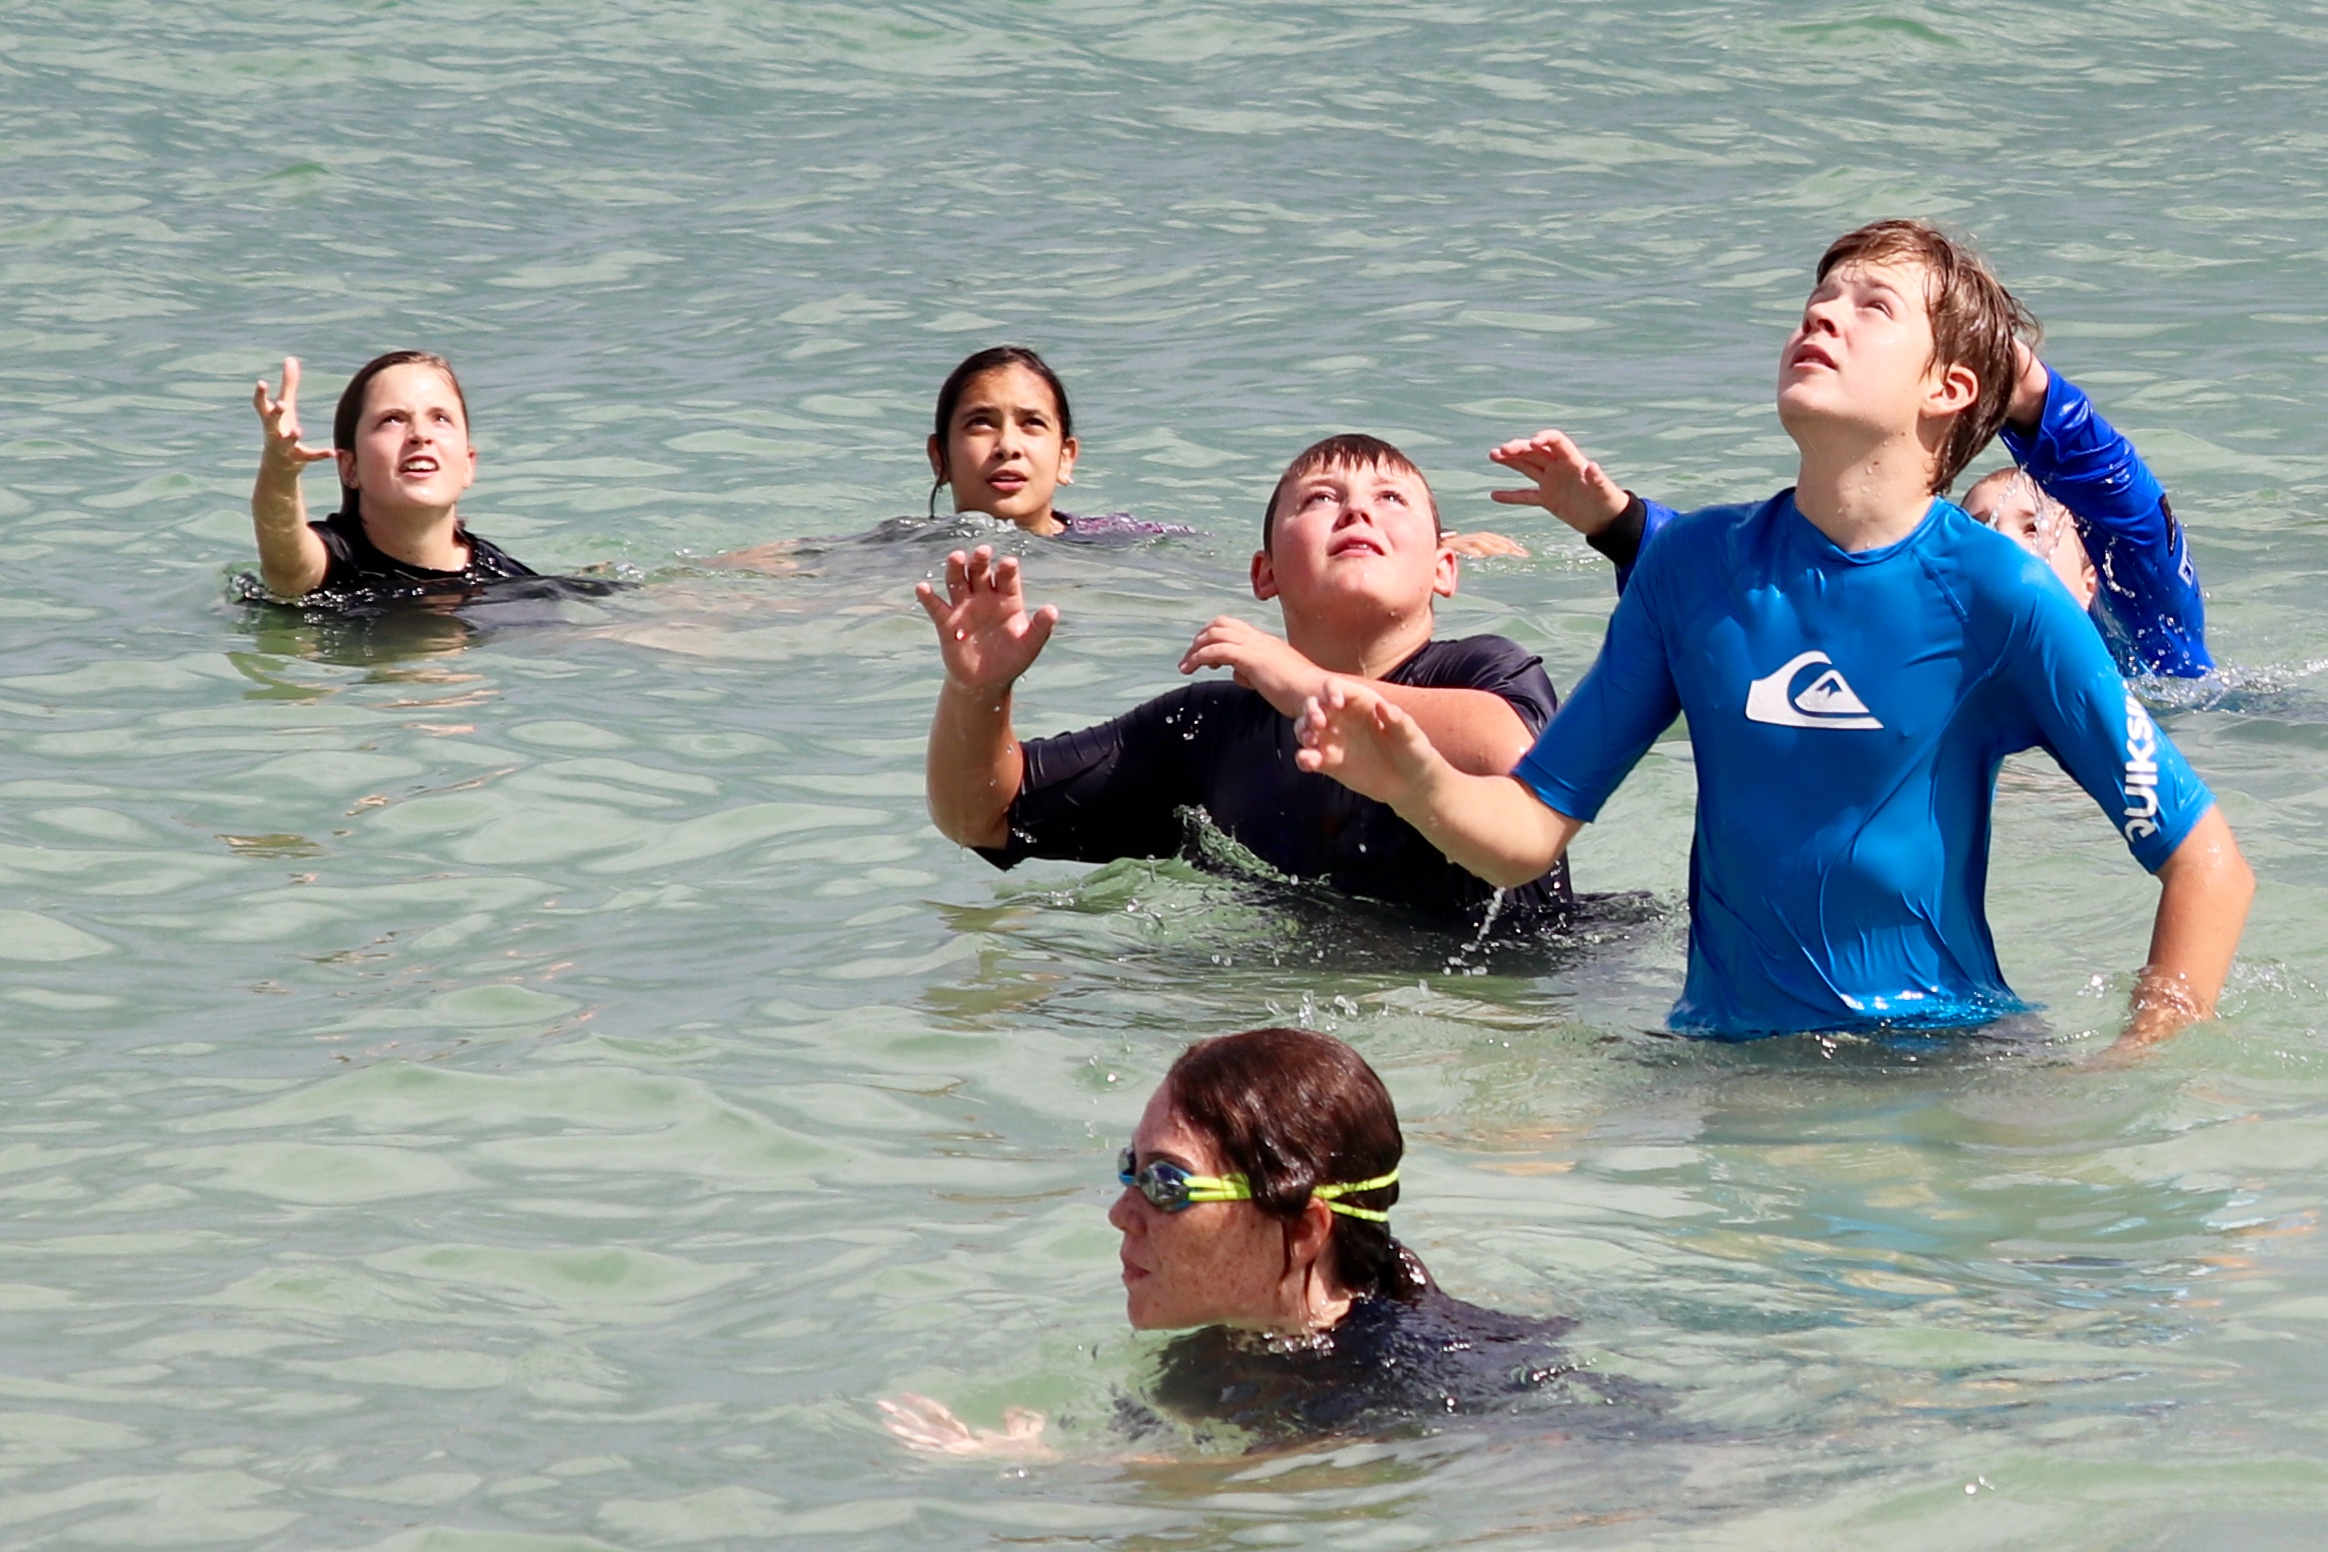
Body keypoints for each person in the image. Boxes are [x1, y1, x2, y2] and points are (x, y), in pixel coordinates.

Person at [1294, 220, 2253, 1049]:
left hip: (1936, 1057)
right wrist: (1414, 782)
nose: (1822, 318)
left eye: (1872, 307)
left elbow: (2207, 865)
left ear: (1948, 387)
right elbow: (1527, 836)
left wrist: (2138, 1059)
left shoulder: (2002, 595)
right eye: (1817, 301)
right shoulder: (1692, 568)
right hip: (1725, 1059)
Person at [916, 433, 1571, 925]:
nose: (1357, 512)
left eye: (1391, 499)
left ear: (1444, 569)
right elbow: (981, 816)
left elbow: (1520, 758)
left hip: (1517, 993)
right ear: (1265, 574)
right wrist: (978, 692)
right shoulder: (1205, 732)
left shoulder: (1483, 671)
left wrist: (1305, 685)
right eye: (1321, 499)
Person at [881, 1027, 1618, 1454]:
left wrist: (1043, 1476)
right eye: (1130, 1170)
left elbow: (1291, 1485)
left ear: (1304, 1228)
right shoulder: (1224, 1349)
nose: (1121, 1213)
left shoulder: (1396, 1390)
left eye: (1167, 1184)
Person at [1492, 347, 2212, 678]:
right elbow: (1764, 592)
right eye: (1979, 525)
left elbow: (2134, 518)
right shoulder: (1924, 651)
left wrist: (2033, 399)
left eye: (2033, 529)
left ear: (2090, 579)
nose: (2003, 541)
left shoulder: (2152, 652)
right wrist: (1619, 524)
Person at [248, 352, 536, 601]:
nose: (420, 435)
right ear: (350, 467)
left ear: (467, 465)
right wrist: (280, 470)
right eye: (392, 420)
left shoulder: (505, 583)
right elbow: (287, 566)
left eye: (440, 418)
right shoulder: (336, 560)